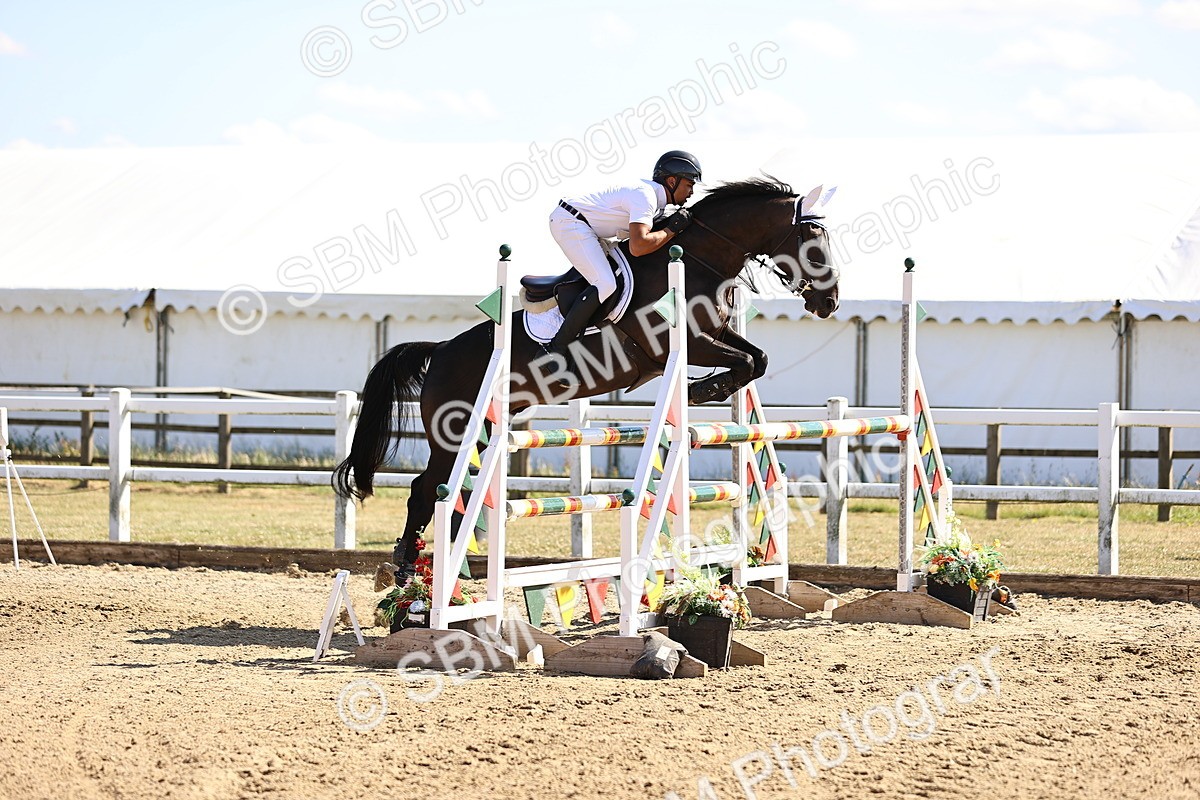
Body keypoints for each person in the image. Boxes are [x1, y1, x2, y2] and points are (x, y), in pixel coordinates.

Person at [546, 150, 701, 380]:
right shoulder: (646, 197)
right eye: (689, 184)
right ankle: (555, 350)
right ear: (671, 181)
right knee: (606, 284)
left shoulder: (656, 202)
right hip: (570, 222)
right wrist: (670, 230)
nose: (691, 191)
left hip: (587, 227)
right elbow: (638, 247)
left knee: (616, 278)